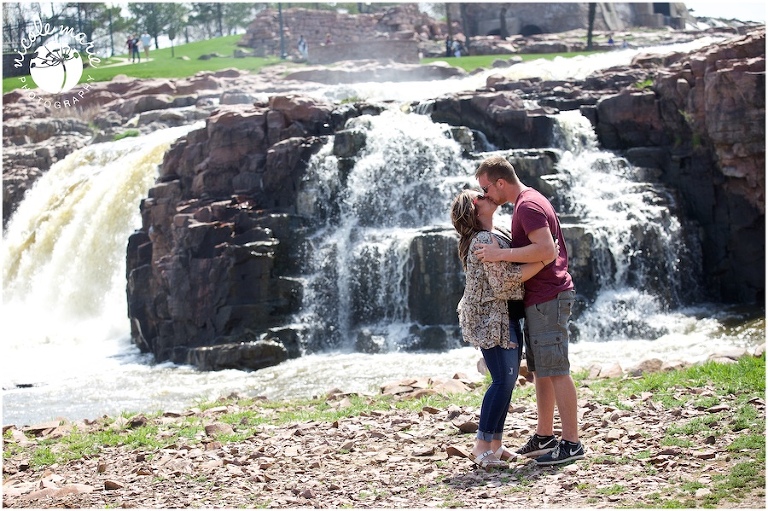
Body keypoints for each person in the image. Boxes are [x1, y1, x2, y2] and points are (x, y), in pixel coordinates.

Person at [474, 155, 584, 466]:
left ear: (500, 182)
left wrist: (498, 254)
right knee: (541, 371)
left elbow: (547, 251)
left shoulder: (528, 206)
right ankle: (544, 436)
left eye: (485, 188)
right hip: (540, 297)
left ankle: (572, 442)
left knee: (557, 369)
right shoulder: (529, 201)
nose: (484, 196)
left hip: (549, 296)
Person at [451, 189, 556, 469]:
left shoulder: (493, 233)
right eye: (482, 195)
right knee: (502, 380)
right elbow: (503, 283)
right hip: (491, 319)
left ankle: (495, 445)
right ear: (475, 205)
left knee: (507, 380)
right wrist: (545, 259)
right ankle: (481, 446)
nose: (489, 195)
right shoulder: (483, 239)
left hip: (505, 315)